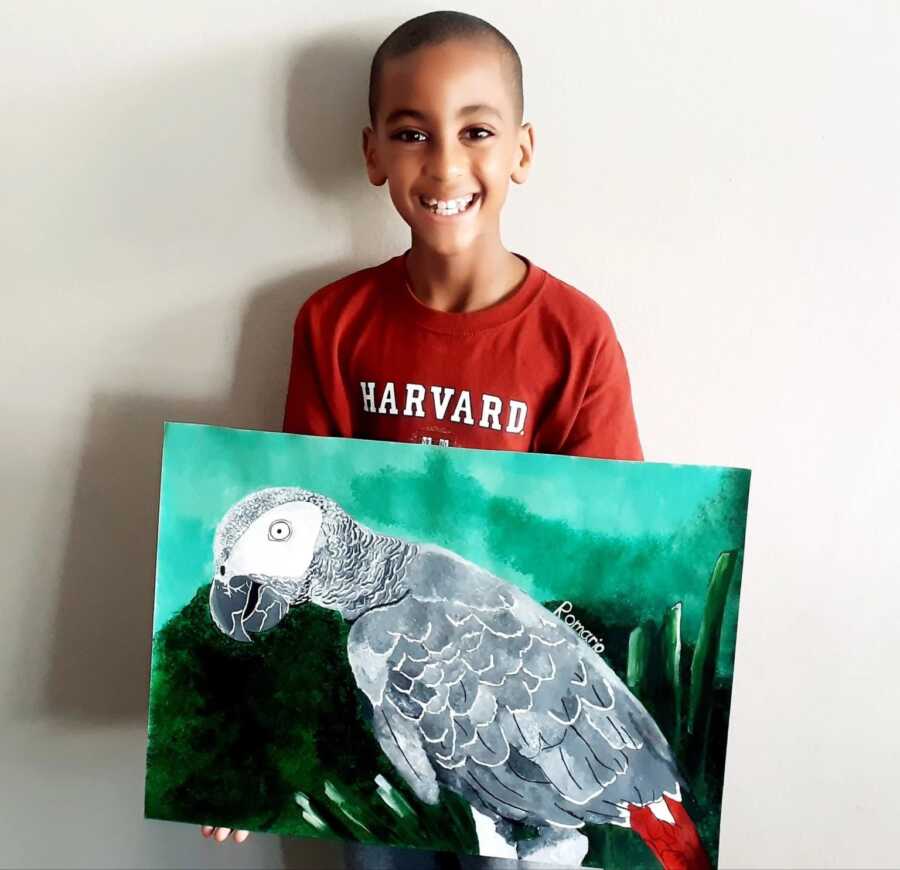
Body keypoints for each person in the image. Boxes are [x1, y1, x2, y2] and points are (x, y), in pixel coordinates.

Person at [201, 8, 643, 860]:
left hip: (522, 734)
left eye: (476, 130)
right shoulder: (331, 324)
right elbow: (304, 521)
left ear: (521, 149)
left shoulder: (576, 336)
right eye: (411, 132)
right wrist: (254, 765)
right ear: (373, 153)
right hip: (391, 725)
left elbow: (592, 556)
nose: (444, 162)